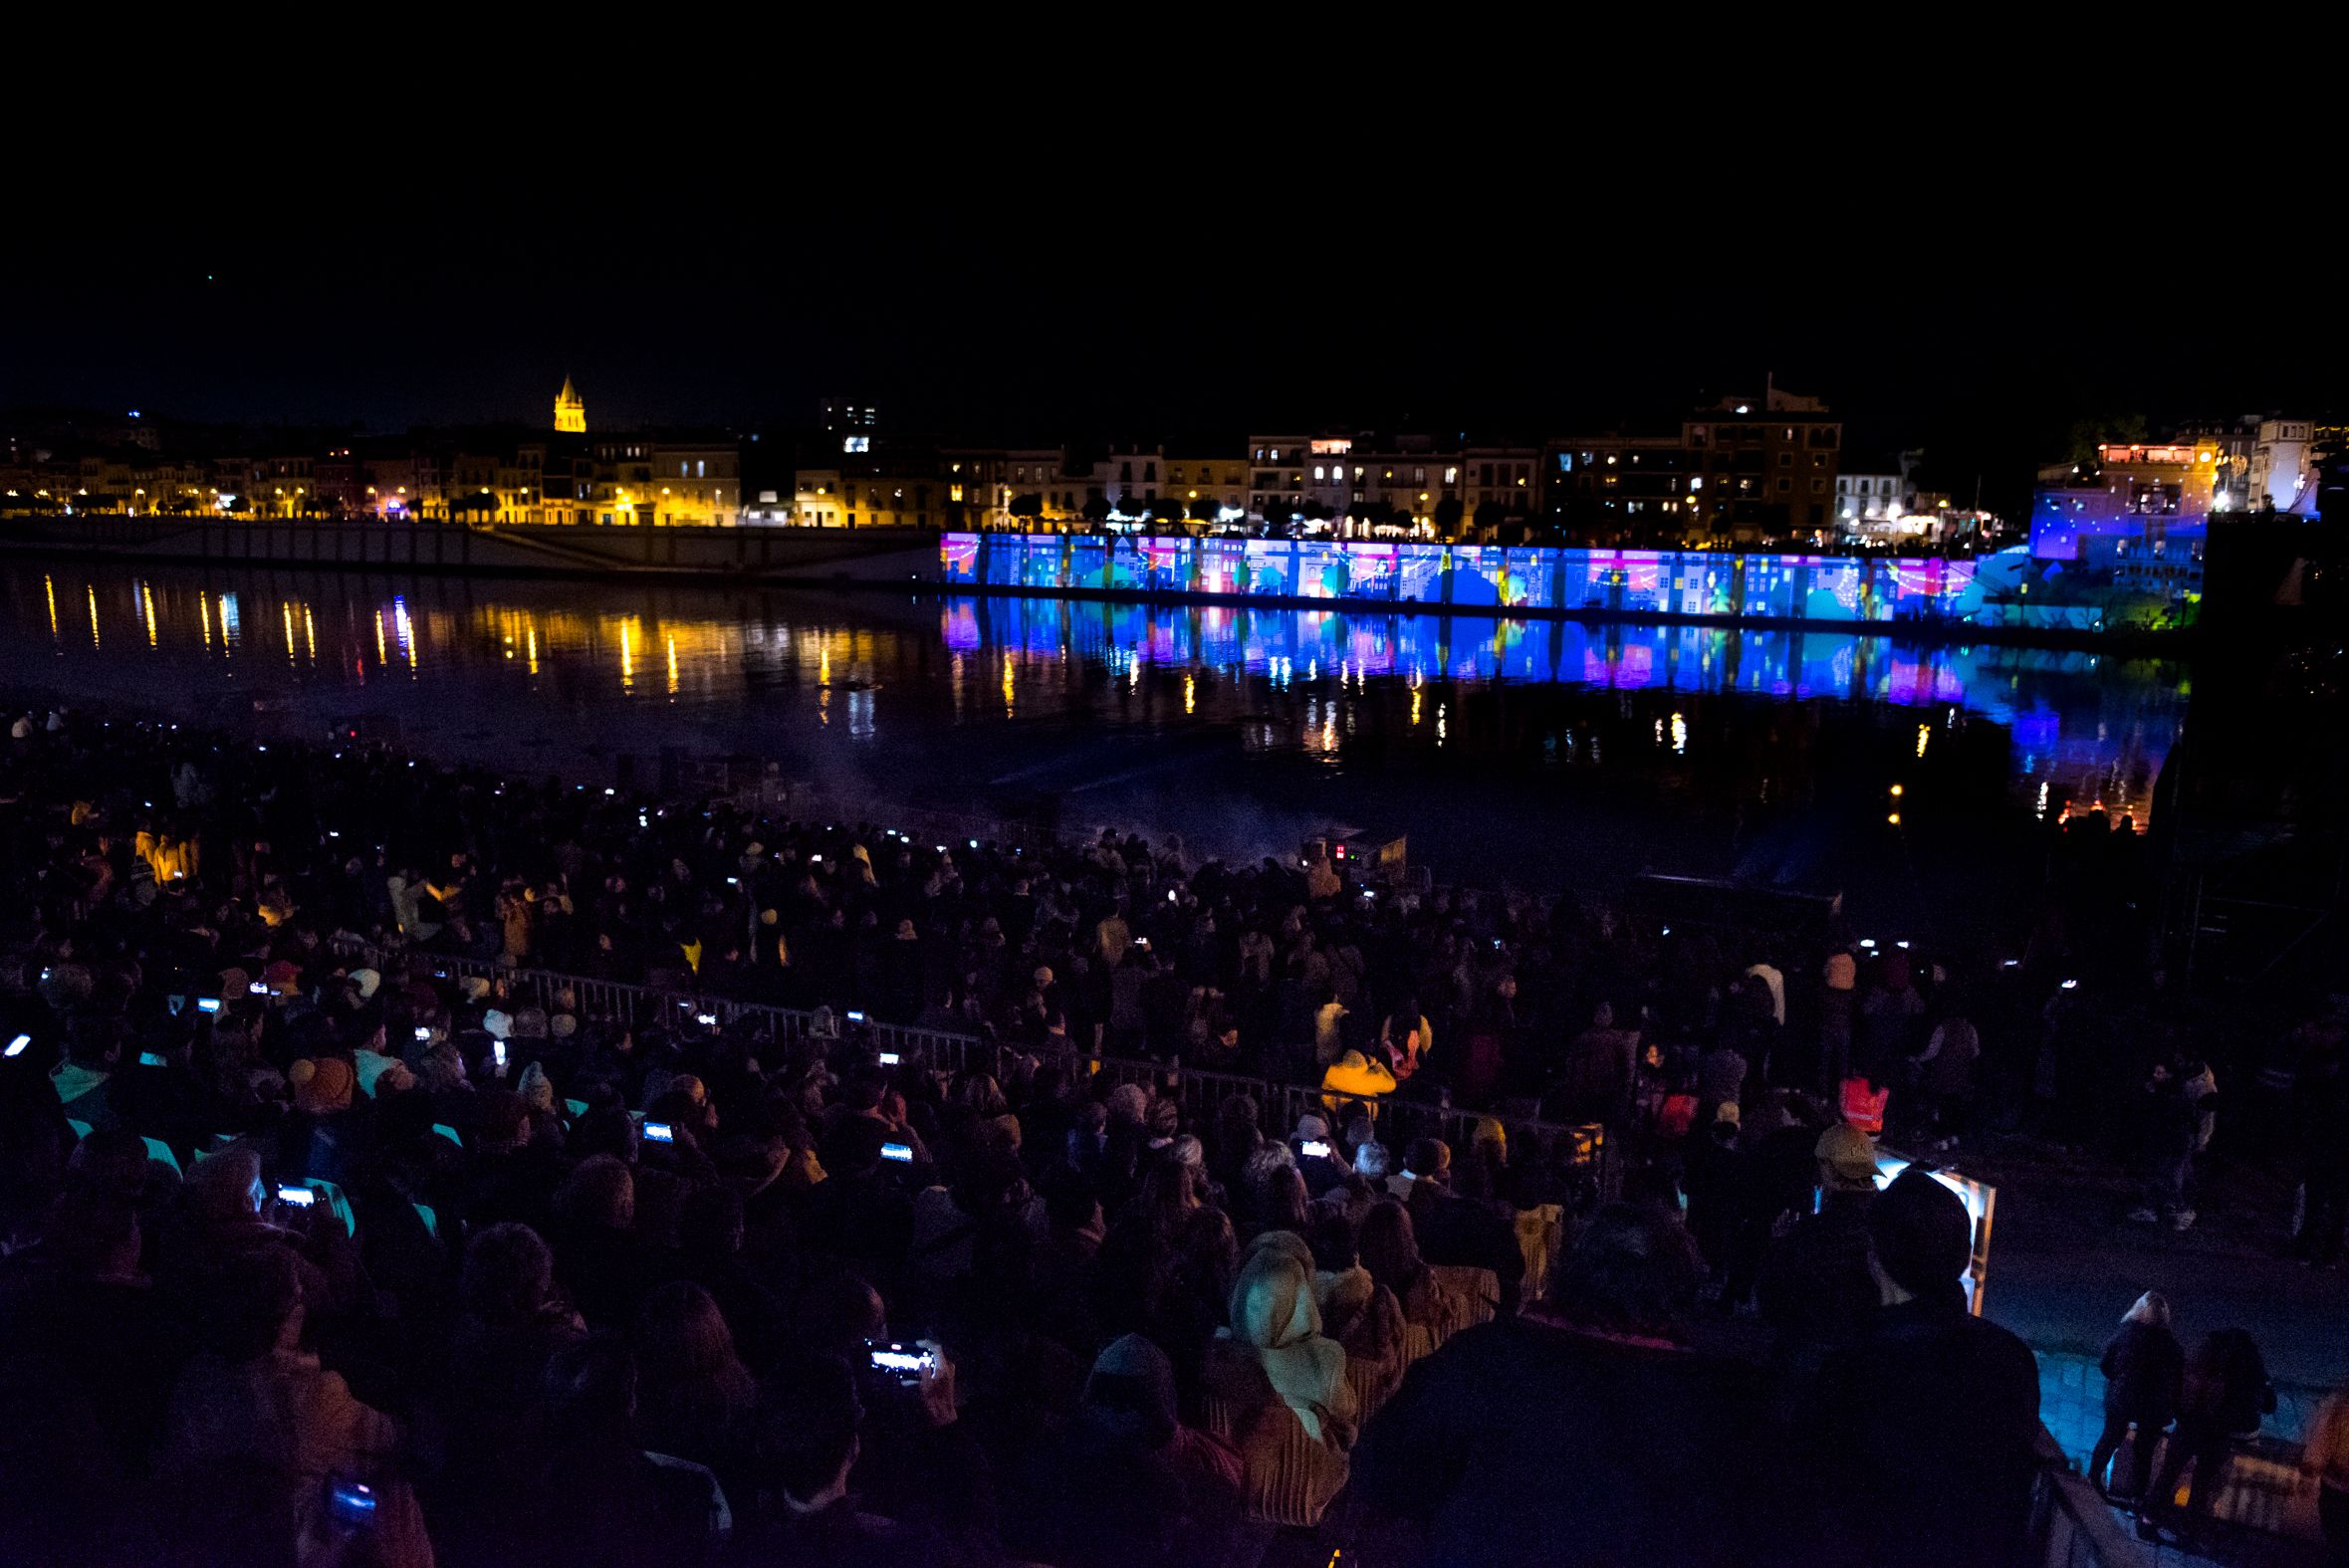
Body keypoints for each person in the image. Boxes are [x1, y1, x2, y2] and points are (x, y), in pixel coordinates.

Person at [1350, 1203, 1773, 1567]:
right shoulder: (1723, 1405)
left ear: (1571, 1271)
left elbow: (1382, 1468)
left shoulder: (1484, 1358)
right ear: (1678, 1290)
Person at [1800, 1169, 2041, 1568]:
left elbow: (1823, 1499)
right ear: (1964, 1256)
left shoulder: (1853, 1370)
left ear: (1874, 1257)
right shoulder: (2011, 1358)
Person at [1200, 1231, 1358, 1529]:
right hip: (1301, 1505)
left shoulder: (1213, 1352)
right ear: (1303, 1296)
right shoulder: (1324, 1360)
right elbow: (1347, 1415)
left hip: (1230, 1499)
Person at [2142, 1327, 2273, 1545]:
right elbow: (2264, 1407)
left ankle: (2148, 1522)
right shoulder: (2243, 1375)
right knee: (2202, 1485)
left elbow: (2173, 1395)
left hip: (2185, 1432)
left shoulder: (2193, 1368)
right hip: (2216, 1439)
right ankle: (2188, 1530)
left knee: (2166, 1476)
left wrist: (2182, 1417)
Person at [2090, 1290, 2183, 1505]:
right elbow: (2177, 1378)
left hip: (2123, 1398)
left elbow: (2105, 1363)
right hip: (2154, 1405)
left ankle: (2093, 1479)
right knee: (2144, 1450)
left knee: (2110, 1437)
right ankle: (2137, 1495)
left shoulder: (2125, 1334)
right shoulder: (2171, 1345)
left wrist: (2118, 1382)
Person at [2301, 1375, 2349, 1566]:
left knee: (2337, 1544)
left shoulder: (2338, 1404)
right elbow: (2321, 1441)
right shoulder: (2338, 1406)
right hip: (2335, 1490)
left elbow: (2319, 1444)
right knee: (2338, 1544)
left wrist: (2310, 1469)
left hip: (2335, 1489)